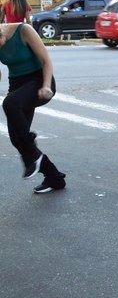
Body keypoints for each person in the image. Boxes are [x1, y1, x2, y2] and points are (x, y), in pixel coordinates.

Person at [1, 23, 66, 193]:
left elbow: (46, 61)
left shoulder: (24, 31)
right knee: (16, 138)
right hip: (17, 86)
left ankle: (31, 148)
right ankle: (54, 177)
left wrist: (46, 86)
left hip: (39, 81)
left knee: (9, 104)